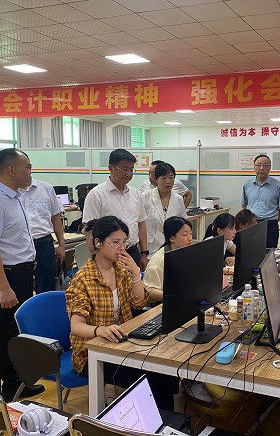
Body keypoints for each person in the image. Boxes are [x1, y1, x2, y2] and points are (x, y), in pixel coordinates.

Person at [65, 216, 177, 410]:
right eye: (115, 242)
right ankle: (149, 419)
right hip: (91, 353)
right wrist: (100, 330)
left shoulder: (121, 271)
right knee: (150, 376)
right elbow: (76, 327)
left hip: (122, 344)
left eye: (124, 242)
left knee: (164, 370)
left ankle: (165, 420)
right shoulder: (83, 279)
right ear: (98, 243)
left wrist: (135, 273)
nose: (122, 248)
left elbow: (139, 302)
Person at [0, 149, 43, 401]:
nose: (30, 171)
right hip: (6, 277)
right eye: (27, 167)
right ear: (11, 170)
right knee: (1, 338)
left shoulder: (14, 196)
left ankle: (14, 385)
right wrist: (4, 288)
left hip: (20, 275)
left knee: (15, 335)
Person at [142, 216, 213, 405]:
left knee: (207, 328)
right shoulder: (159, 260)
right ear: (172, 238)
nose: (190, 238)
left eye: (190, 234)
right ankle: (190, 380)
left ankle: (193, 377)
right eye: (185, 235)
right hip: (162, 310)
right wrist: (175, 296)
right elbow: (149, 292)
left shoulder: (184, 252)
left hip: (183, 304)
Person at [82, 149, 149, 270]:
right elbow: (89, 229)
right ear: (111, 168)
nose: (128, 174)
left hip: (132, 252)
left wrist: (144, 252)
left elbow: (141, 224)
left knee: (134, 281)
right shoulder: (96, 195)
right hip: (108, 255)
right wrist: (95, 256)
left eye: (131, 169)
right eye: (124, 169)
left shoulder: (136, 194)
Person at [20, 176, 66, 294]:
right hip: (21, 245)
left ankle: (45, 306)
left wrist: (61, 245)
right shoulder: (12, 191)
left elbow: (56, 218)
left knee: (46, 286)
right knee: (22, 288)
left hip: (44, 243)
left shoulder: (46, 188)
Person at [241, 155, 280, 248]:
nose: (261, 168)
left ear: (270, 167)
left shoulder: (278, 186)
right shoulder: (247, 185)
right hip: (251, 225)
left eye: (265, 165)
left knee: (269, 252)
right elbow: (244, 205)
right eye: (258, 165)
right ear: (254, 166)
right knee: (250, 250)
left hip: (270, 226)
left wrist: (274, 221)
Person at [142, 162, 187, 257]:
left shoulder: (178, 199)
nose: (168, 181)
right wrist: (143, 253)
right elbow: (140, 225)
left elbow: (183, 224)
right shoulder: (145, 197)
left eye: (171, 177)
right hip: (151, 249)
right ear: (156, 179)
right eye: (163, 178)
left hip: (173, 248)